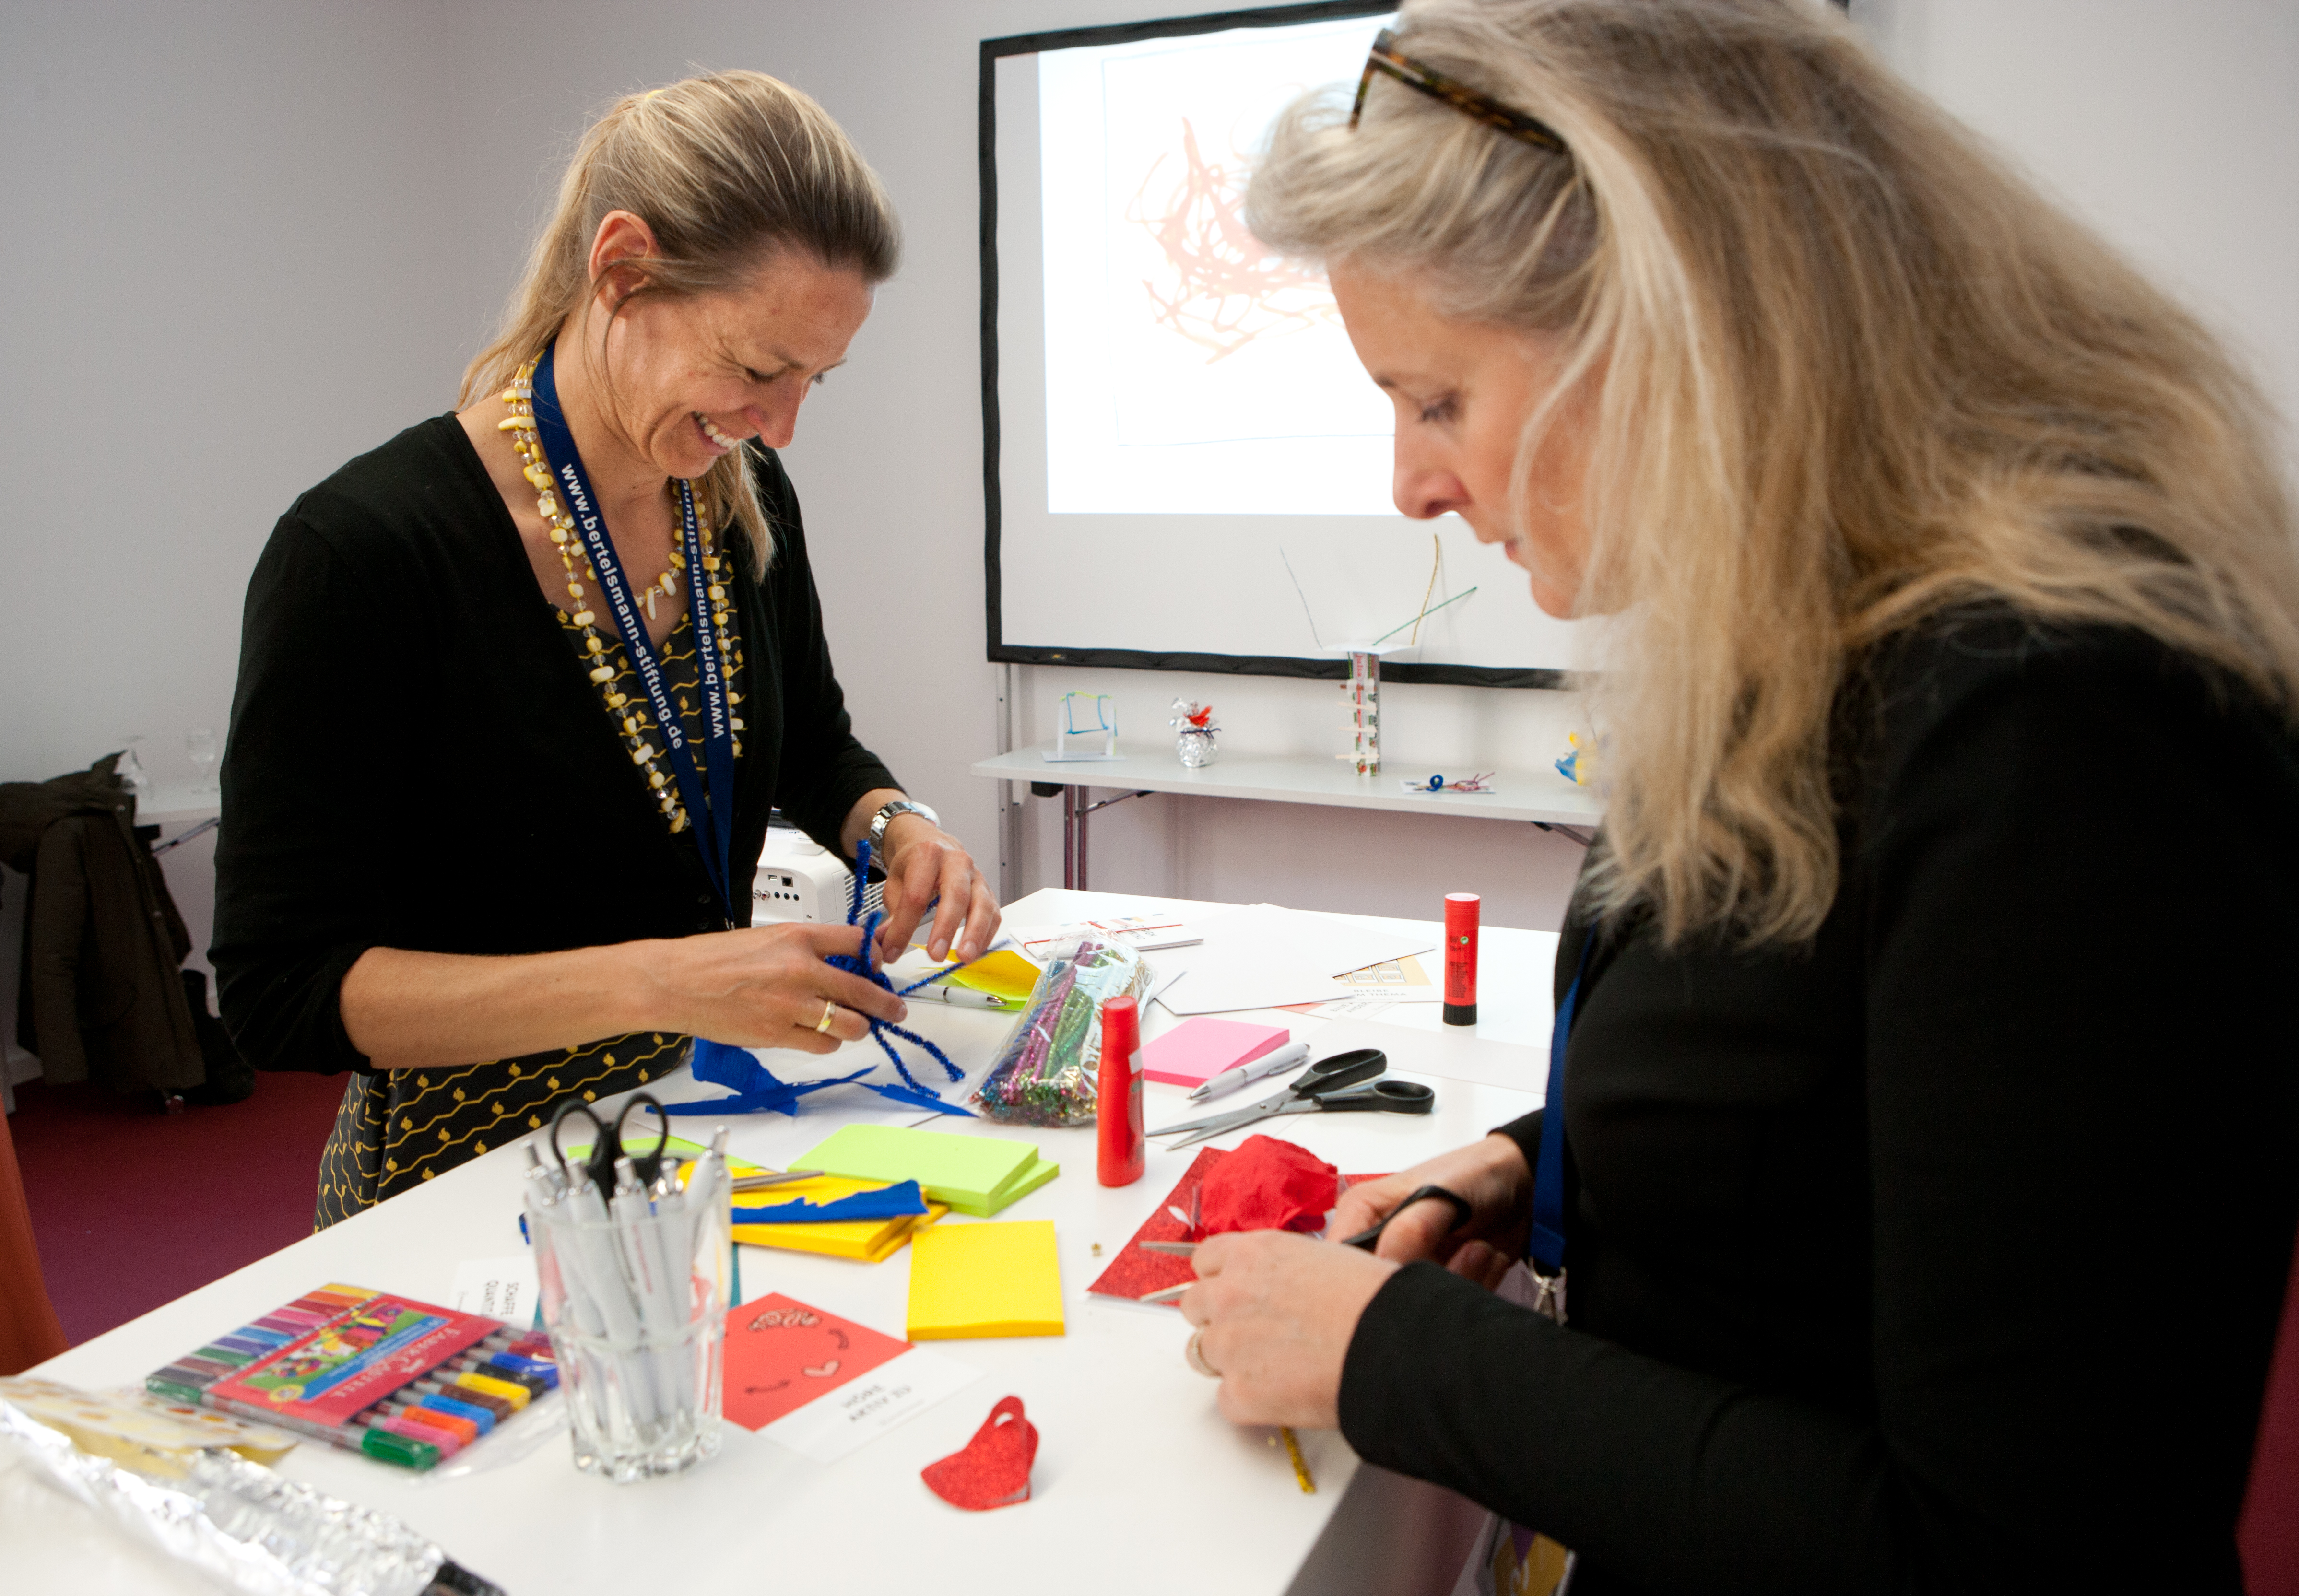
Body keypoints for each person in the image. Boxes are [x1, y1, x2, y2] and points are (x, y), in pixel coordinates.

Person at [1179, 3, 2299, 1592]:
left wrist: (1391, 1350)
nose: (1411, 486)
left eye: (1436, 398)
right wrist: (1532, 1162)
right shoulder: (1808, 629)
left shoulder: (2060, 712)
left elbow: (2014, 1546)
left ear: (1680, 328)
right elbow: (1840, 1106)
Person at [213, 72, 998, 1226]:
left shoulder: (735, 496)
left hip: (685, 1129)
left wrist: (894, 822)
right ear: (623, 269)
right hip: (458, 1187)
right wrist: (665, 978)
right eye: (757, 367)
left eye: (815, 378)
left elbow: (808, 744)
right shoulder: (364, 551)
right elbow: (280, 991)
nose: (781, 424)